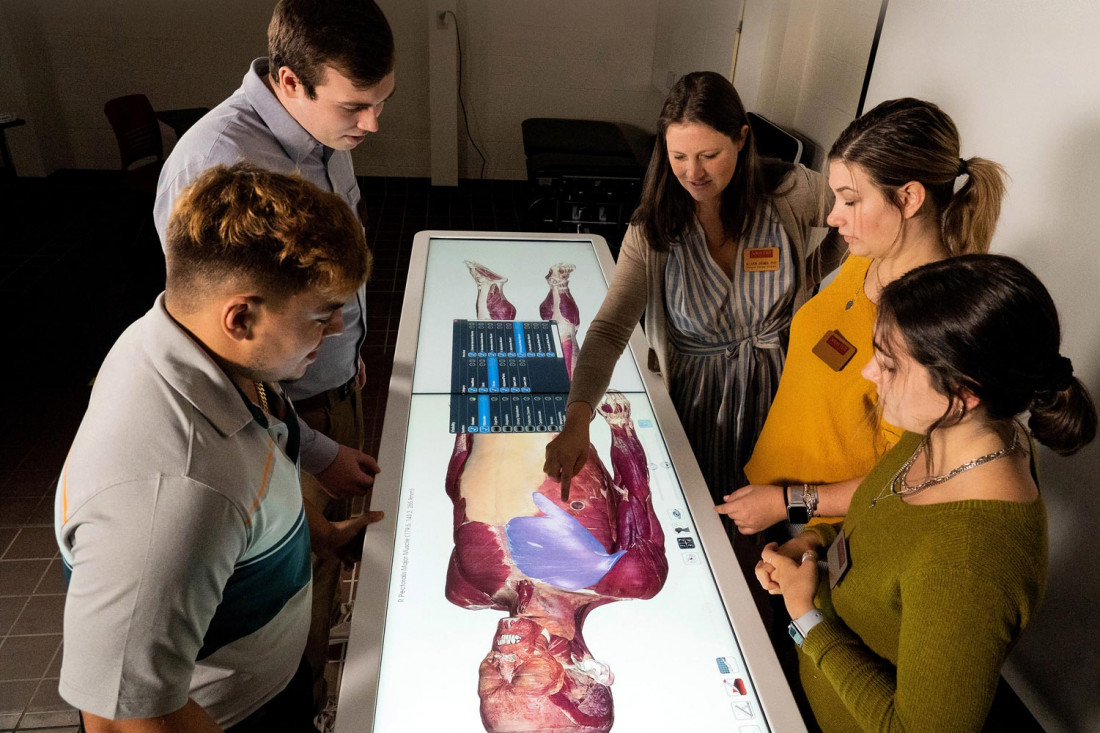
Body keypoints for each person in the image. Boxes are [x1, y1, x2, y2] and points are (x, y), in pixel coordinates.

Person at [56, 164, 382, 732]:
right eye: (320, 315)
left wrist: (317, 535)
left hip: (268, 680)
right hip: (232, 717)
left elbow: (258, 453)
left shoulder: (181, 341)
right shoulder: (172, 492)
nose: (334, 331)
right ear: (241, 317)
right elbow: (122, 717)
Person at [153, 0, 396, 707]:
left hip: (310, 401)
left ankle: (311, 671)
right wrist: (306, 446)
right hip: (271, 416)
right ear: (290, 83)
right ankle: (303, 687)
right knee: (282, 579)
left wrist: (323, 428)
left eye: (383, 102)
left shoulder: (325, 136)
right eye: (358, 105)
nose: (373, 124)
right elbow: (218, 366)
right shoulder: (215, 163)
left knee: (317, 557)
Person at [757, 254, 1096, 731]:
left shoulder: (973, 561)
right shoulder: (951, 432)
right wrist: (814, 542)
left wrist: (805, 615)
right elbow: (883, 519)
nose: (870, 373)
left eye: (891, 365)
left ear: (964, 391)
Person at [543, 71, 844, 566]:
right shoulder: (654, 229)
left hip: (782, 397)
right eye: (679, 156)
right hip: (696, 408)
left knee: (780, 530)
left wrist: (815, 274)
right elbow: (610, 327)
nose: (693, 172)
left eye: (709, 155)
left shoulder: (790, 192)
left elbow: (855, 214)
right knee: (702, 531)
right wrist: (577, 420)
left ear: (742, 139)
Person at [719, 98, 1008, 536]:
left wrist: (788, 505)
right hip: (767, 494)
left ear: (908, 198)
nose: (833, 217)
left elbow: (905, 475)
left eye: (850, 200)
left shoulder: (934, 326)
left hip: (820, 527)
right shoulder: (866, 256)